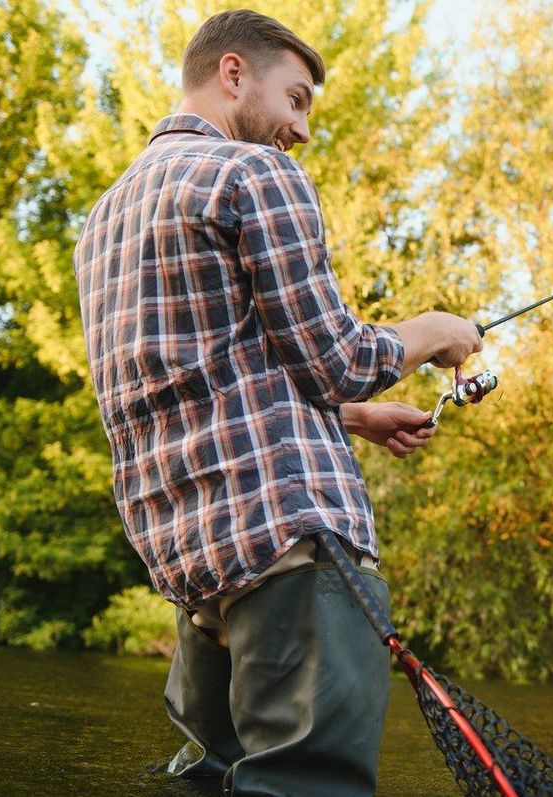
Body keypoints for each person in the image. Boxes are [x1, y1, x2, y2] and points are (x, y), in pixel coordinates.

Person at [72, 9, 482, 795]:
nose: (299, 130)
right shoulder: (252, 174)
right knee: (307, 785)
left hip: (193, 570)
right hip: (291, 549)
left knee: (214, 781)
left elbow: (190, 376)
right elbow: (341, 359)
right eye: (294, 100)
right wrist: (436, 330)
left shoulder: (105, 217)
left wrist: (355, 420)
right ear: (233, 74)